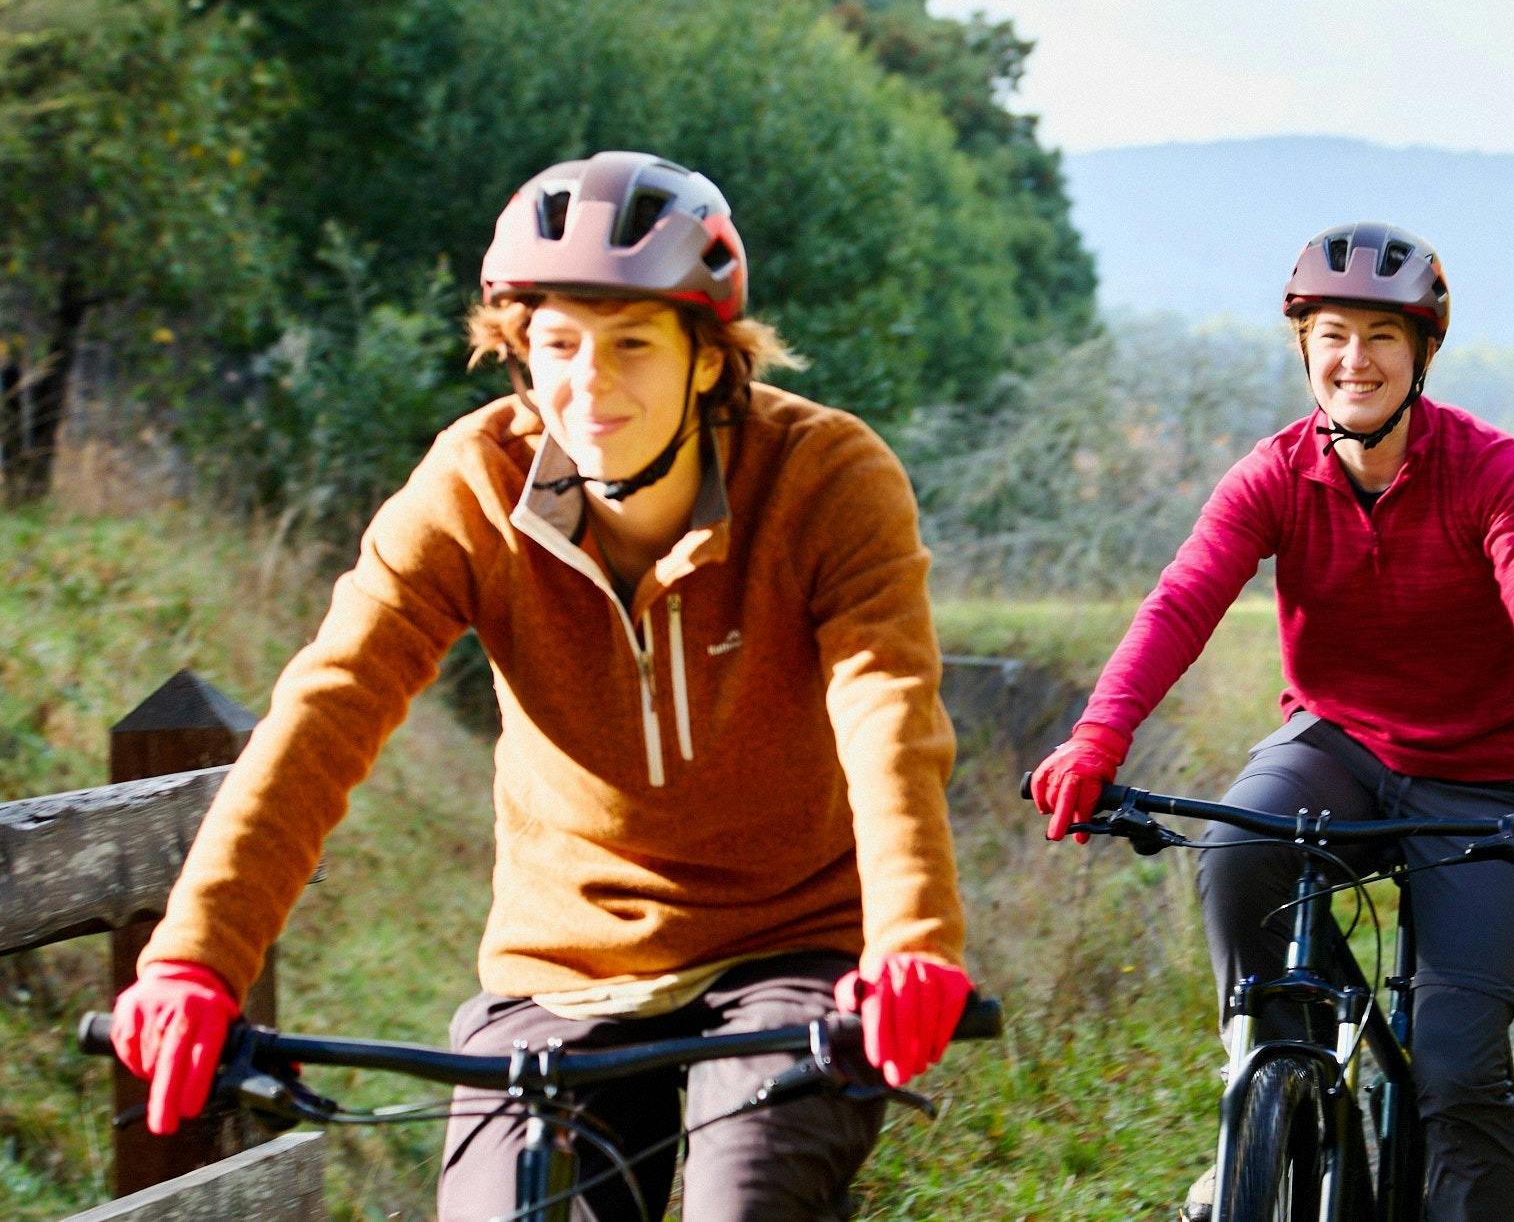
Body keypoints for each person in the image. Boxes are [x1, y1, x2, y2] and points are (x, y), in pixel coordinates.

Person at [109, 151, 971, 1222]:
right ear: (520, 350)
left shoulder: (825, 477)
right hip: (561, 964)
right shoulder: (472, 483)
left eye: (633, 342)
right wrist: (197, 959)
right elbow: (330, 705)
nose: (590, 382)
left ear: (710, 357)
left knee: (745, 1204)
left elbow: (888, 711)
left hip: (790, 942)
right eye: (560, 343)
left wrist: (909, 937)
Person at [1028, 222, 1514, 1222]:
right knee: (1237, 847)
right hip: (1338, 742)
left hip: (1483, 775)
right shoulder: (1274, 473)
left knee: (1457, 1067)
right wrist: (1097, 737)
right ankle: (1266, 1078)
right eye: (1334, 334)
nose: (1356, 360)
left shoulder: (1490, 470)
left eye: (1383, 336)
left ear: (1422, 352)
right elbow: (1181, 602)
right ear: (1304, 345)